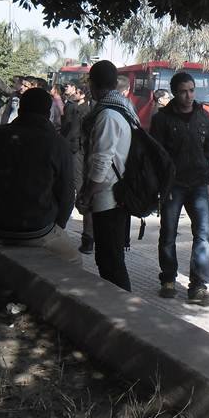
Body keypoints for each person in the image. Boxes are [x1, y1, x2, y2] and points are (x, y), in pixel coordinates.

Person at [0, 88, 80, 264]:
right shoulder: (57, 143)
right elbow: (67, 194)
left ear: (20, 109)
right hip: (37, 230)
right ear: (48, 113)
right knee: (75, 261)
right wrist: (57, 225)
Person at [150, 71, 209, 305]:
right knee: (168, 233)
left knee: (203, 235)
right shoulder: (162, 119)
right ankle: (168, 279)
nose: (188, 96)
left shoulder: (203, 116)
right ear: (174, 93)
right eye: (183, 92)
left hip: (198, 184)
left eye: (191, 90)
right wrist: (160, 185)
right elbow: (155, 155)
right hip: (173, 185)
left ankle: (198, 286)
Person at [78, 61, 136, 290]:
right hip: (116, 194)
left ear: (93, 84)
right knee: (109, 258)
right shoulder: (123, 108)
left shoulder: (108, 115)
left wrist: (87, 194)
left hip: (109, 198)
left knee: (110, 261)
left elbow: (101, 162)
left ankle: (122, 306)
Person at [61, 80, 93, 253]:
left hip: (77, 152)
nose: (73, 93)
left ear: (82, 93)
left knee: (77, 188)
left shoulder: (79, 109)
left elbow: (69, 131)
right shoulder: (85, 108)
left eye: (76, 91)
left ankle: (87, 236)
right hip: (82, 152)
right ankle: (88, 237)